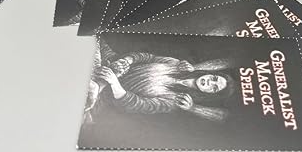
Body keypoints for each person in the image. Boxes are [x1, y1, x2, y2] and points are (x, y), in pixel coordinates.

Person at [84, 41, 235, 123]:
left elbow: (137, 105)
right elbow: (147, 57)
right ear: (209, 73)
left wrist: (113, 82)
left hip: (102, 95)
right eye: (214, 78)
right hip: (111, 61)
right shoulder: (177, 64)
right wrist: (128, 60)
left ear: (209, 94)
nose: (209, 83)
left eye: (214, 88)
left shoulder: (176, 101)